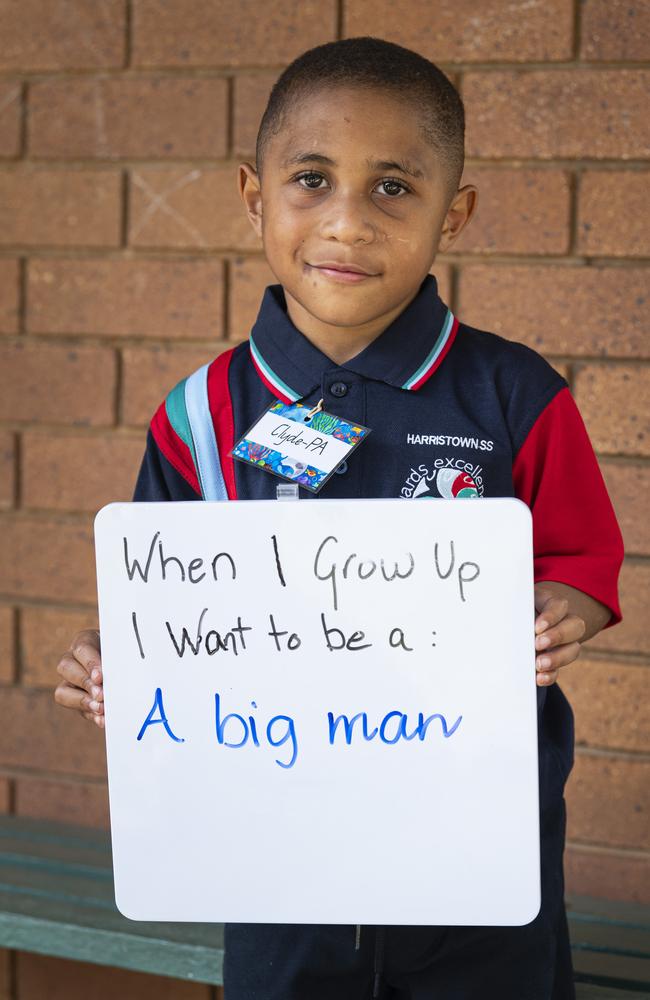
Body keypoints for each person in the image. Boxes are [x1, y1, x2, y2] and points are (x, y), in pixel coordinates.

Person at [54, 36, 623, 1000]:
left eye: (394, 188)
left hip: (473, 855)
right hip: (278, 864)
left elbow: (582, 562)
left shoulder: (514, 396)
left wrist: (562, 608)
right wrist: (114, 662)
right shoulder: (200, 416)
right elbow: (159, 608)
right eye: (311, 179)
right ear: (253, 197)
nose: (348, 223)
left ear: (456, 215)